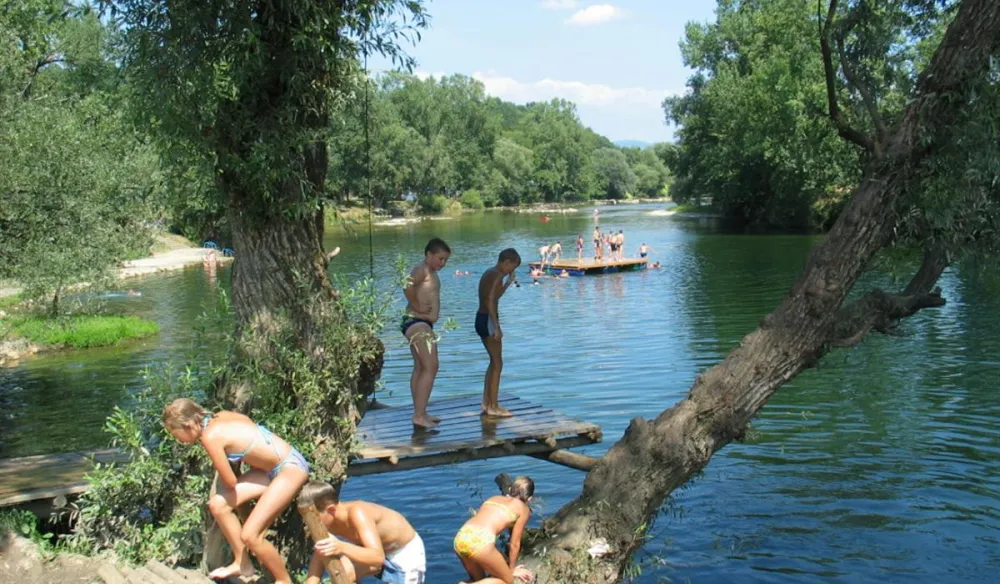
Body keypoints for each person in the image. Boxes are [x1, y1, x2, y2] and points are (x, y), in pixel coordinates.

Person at [162, 399, 310, 584]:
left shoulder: (210, 437)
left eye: (175, 433)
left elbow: (230, 481)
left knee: (250, 535)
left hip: (290, 468)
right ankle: (243, 563)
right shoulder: (221, 415)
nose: (178, 440)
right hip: (270, 470)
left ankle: (284, 581)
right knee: (217, 504)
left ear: (189, 425)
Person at [301, 481, 426, 584]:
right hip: (372, 550)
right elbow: (318, 557)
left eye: (314, 518)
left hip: (402, 553)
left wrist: (340, 546)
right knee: (343, 572)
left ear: (331, 510)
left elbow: (377, 558)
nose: (310, 523)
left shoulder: (358, 513)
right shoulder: (326, 522)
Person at [401, 238, 451, 429]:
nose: (442, 263)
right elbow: (406, 285)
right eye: (439, 258)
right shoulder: (422, 269)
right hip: (417, 323)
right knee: (431, 366)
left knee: (421, 368)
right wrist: (417, 305)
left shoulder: (428, 271)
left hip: (419, 323)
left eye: (445, 260)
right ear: (428, 255)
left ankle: (420, 412)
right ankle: (419, 415)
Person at [454, 477, 535, 584]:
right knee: (507, 582)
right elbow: (514, 544)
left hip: (461, 537)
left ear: (510, 489)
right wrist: (511, 570)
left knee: (479, 580)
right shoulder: (524, 509)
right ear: (530, 499)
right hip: (480, 542)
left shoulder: (493, 498)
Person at [475, 249, 520, 418]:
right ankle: (493, 406)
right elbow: (490, 302)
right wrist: (496, 326)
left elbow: (494, 296)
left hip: (481, 318)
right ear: (506, 262)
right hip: (488, 319)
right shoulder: (496, 275)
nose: (511, 271)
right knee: (497, 363)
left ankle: (487, 402)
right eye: (512, 267)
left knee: (494, 362)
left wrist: (509, 282)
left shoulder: (490, 273)